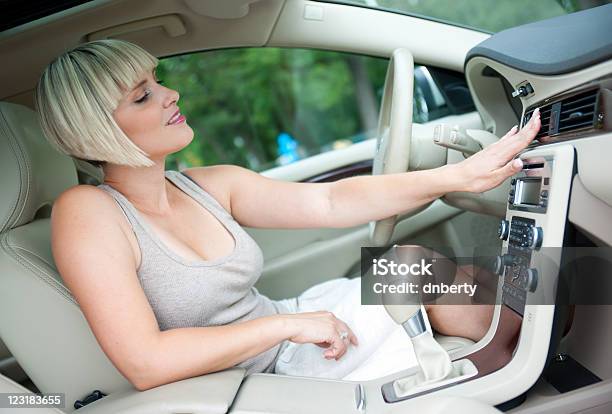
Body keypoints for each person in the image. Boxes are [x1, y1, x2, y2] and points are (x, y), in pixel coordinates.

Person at [34, 39, 541, 391]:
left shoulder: (206, 184)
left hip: (291, 326)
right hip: (269, 373)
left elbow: (331, 202)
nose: (171, 95)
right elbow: (145, 362)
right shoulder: (86, 212)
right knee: (422, 271)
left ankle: (559, 325)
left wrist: (457, 176)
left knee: (447, 269)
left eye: (158, 81)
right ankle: (542, 357)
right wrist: (285, 328)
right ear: (95, 130)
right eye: (143, 95)